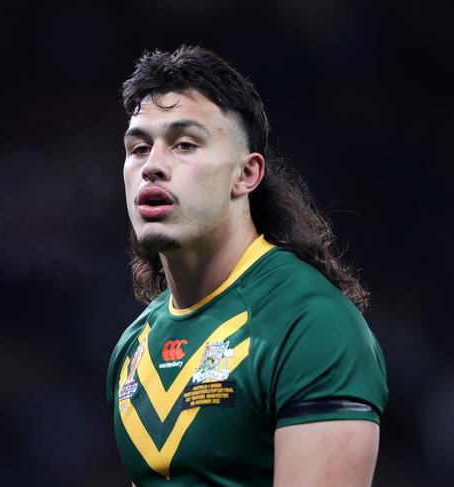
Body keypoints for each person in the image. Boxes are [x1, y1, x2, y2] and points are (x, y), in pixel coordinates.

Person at [106, 46, 388, 487]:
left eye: (184, 144)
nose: (153, 167)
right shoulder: (134, 346)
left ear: (247, 174)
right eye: (138, 147)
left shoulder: (312, 323)